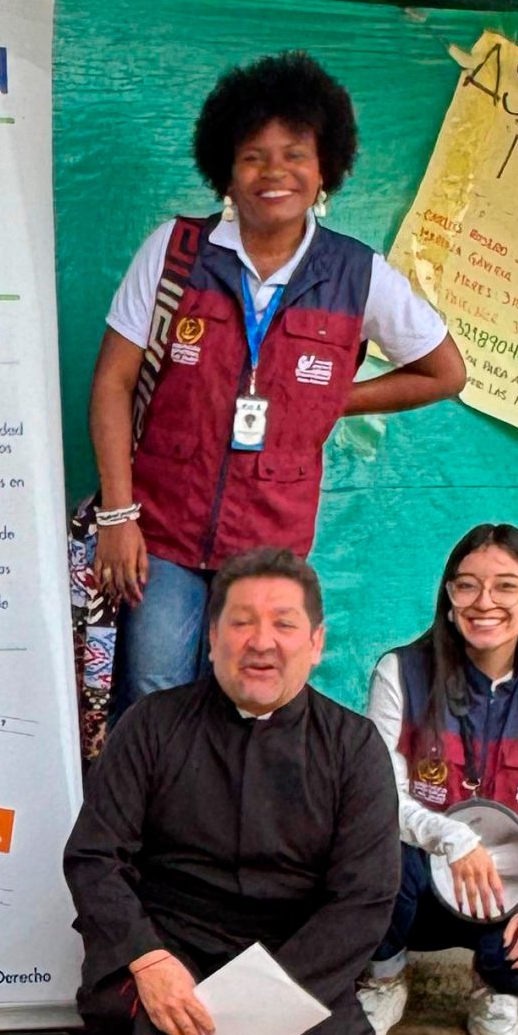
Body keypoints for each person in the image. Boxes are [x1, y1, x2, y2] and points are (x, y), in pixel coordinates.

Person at [86, 53, 467, 717]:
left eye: (295, 155)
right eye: (254, 157)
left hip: (270, 542)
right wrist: (119, 516)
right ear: (226, 172)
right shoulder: (176, 251)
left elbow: (445, 372)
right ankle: (143, 824)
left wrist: (331, 400)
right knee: (151, 695)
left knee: (249, 707)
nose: (274, 173)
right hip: (163, 535)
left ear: (326, 171)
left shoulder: (356, 274)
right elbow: (113, 383)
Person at [63, 548, 398, 1035]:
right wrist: (148, 957)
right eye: (241, 622)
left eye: (282, 623)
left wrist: (259, 1011)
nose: (261, 642)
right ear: (211, 636)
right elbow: (94, 855)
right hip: (171, 942)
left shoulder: (355, 748)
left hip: (293, 956)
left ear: (316, 641)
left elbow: (363, 899)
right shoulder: (153, 724)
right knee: (135, 1008)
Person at [354, 523, 518, 1035]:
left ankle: (493, 985)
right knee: (370, 849)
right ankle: (385, 974)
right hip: (416, 884)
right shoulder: (400, 672)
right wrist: (451, 838)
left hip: (509, 888)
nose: (484, 601)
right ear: (448, 598)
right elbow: (380, 791)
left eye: (506, 586)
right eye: (466, 585)